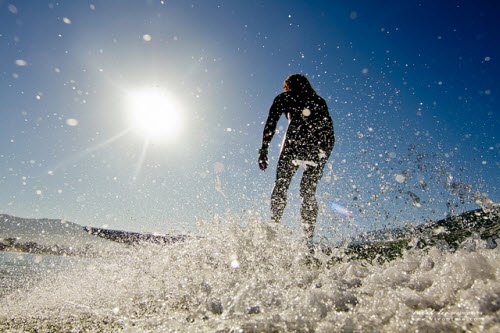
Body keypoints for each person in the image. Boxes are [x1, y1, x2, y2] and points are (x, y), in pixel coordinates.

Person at [258, 74, 334, 245]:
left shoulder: (286, 97)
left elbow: (271, 123)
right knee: (307, 192)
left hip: (293, 144)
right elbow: (329, 132)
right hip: (316, 148)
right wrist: (324, 155)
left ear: (288, 86)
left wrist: (263, 150)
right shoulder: (318, 100)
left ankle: (274, 226)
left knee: (281, 185)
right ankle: (309, 240)